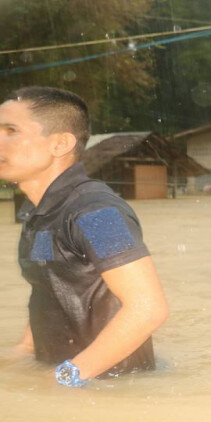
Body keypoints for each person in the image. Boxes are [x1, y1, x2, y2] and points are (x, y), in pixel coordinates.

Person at [1, 87, 169, 387]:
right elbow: (46, 286)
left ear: (60, 144)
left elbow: (148, 308)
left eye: (10, 130)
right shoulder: (37, 213)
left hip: (116, 391)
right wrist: (24, 352)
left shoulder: (95, 211)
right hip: (65, 379)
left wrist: (67, 375)